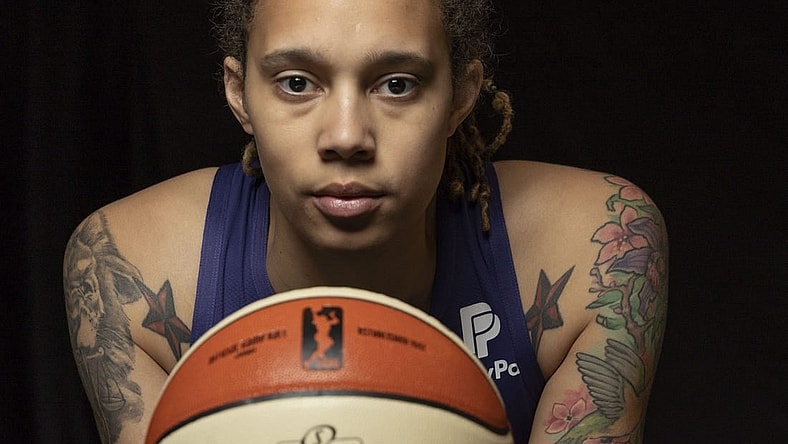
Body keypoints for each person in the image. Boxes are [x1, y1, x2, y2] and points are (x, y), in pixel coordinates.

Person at [63, 0, 668, 443]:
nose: (347, 137)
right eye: (297, 83)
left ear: (462, 95)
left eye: (397, 84)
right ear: (240, 94)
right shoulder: (127, 267)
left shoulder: (595, 247)